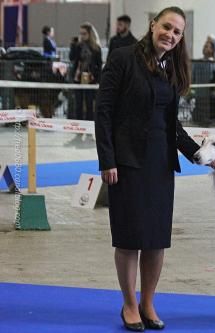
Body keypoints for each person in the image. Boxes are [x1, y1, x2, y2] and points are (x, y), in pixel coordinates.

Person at [95, 6, 201, 331]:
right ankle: (129, 305)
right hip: (126, 163)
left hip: (160, 163)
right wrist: (107, 159)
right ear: (153, 25)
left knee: (156, 239)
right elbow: (104, 111)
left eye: (177, 32)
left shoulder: (172, 66)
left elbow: (172, 124)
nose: (170, 35)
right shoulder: (123, 58)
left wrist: (200, 154)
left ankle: (148, 303)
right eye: (166, 27)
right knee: (128, 238)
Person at [70, 22, 102, 123]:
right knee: (78, 103)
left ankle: (88, 125)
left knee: (89, 103)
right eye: (81, 33)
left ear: (90, 34)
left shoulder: (96, 48)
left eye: (84, 33)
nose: (82, 36)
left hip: (91, 78)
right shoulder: (78, 46)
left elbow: (99, 64)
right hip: (78, 77)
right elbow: (72, 58)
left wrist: (98, 79)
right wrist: (73, 46)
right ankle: (79, 126)